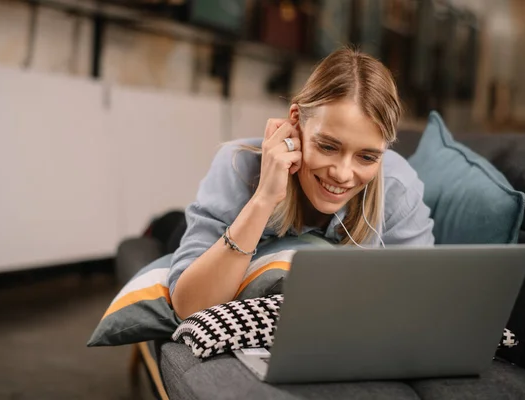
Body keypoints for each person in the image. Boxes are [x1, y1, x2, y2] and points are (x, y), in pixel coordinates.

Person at [169, 47, 434, 320]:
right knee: (167, 229)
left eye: (367, 157)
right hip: (203, 226)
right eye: (328, 146)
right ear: (295, 120)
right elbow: (190, 306)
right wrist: (263, 199)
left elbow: (420, 305)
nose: (342, 174)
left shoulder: (397, 186)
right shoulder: (238, 166)